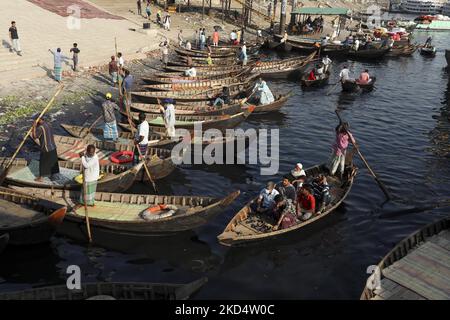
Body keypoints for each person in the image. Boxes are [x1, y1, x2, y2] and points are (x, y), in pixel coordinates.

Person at [30, 115, 59, 182]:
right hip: (53, 147)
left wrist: (34, 127)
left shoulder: (40, 128)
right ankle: (53, 176)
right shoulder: (48, 124)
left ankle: (41, 178)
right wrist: (35, 127)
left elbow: (34, 137)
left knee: (43, 163)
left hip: (46, 148)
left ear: (39, 120)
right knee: (53, 161)